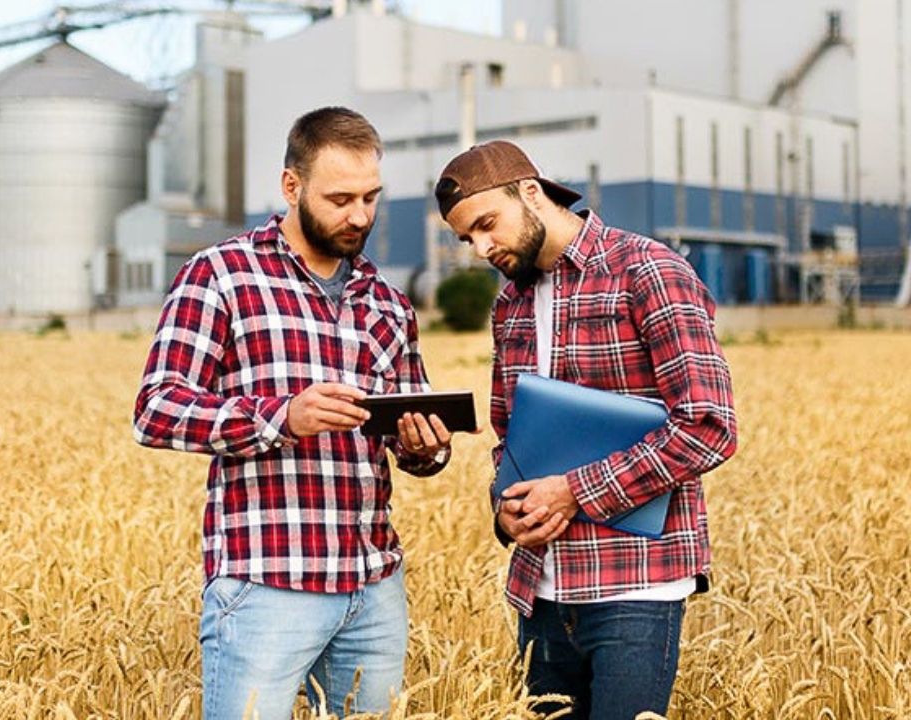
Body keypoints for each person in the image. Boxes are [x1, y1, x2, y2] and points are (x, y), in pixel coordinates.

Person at [134, 107, 453, 720]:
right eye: (340, 198)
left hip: (373, 586)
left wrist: (424, 444)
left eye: (371, 197)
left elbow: (418, 445)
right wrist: (282, 418)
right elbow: (156, 410)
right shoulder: (221, 275)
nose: (359, 215)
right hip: (267, 582)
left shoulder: (387, 300)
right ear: (291, 187)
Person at [435, 140, 738, 719]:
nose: (479, 248)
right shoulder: (510, 306)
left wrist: (575, 490)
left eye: (486, 225)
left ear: (531, 192)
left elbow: (707, 425)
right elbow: (509, 435)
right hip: (540, 590)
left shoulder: (646, 270)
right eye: (465, 237)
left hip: (634, 587)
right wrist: (506, 505)